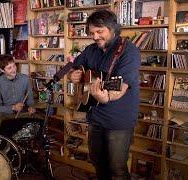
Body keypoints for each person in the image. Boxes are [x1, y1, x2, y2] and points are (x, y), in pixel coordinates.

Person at [69, 9, 140, 180]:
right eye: (92, 32)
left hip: (119, 120)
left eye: (99, 32)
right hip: (95, 117)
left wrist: (107, 97)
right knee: (98, 163)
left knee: (117, 169)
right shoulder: (90, 50)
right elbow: (73, 66)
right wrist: (74, 74)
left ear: (113, 29)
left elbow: (120, 87)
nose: (94, 37)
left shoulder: (129, 52)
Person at [0, 55, 35, 134]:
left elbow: (30, 99)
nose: (13, 70)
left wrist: (31, 107)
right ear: (2, 70)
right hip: (5, 114)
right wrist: (13, 108)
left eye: (14, 66)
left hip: (23, 113)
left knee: (37, 123)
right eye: (9, 68)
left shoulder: (25, 79)